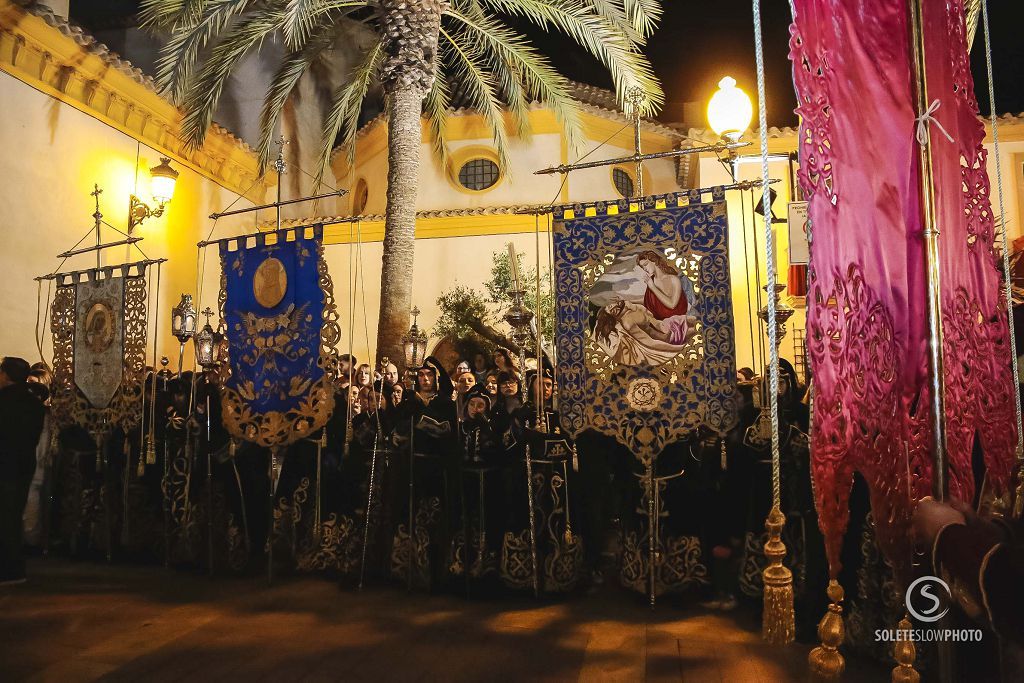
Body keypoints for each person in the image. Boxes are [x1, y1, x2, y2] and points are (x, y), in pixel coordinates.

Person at [0, 357, 46, 584]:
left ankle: (8, 569)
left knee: (5, 517)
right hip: (24, 464)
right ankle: (15, 567)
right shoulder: (35, 405)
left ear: (6, 375)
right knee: (13, 514)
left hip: (4, 464)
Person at [593, 298, 697, 366]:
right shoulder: (627, 323)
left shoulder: (633, 307)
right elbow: (650, 343)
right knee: (697, 331)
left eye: (610, 305)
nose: (613, 308)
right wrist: (674, 348)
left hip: (668, 324)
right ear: (612, 317)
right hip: (668, 338)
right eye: (611, 311)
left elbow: (656, 322)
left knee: (696, 320)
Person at [635, 250, 688, 319]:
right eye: (642, 267)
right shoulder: (652, 280)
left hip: (675, 319)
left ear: (654, 261)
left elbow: (672, 305)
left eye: (645, 264)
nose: (644, 269)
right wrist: (629, 301)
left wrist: (653, 287)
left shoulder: (674, 279)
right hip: (658, 319)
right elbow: (652, 300)